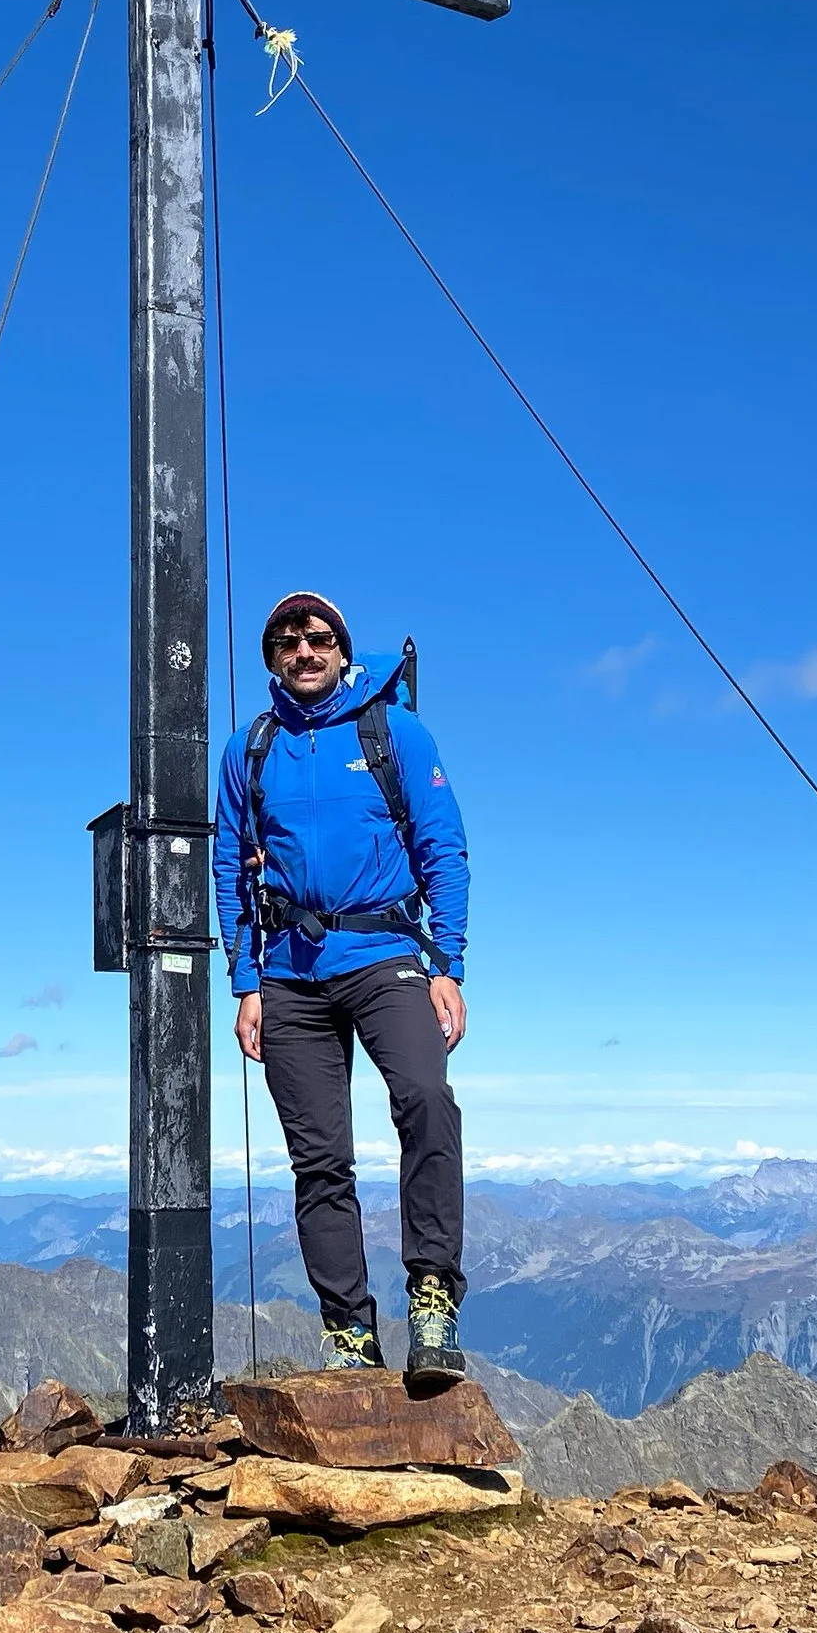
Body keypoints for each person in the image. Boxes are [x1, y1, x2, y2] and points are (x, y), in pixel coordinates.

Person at [213, 591, 474, 1383]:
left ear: (342, 648)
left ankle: (432, 1298)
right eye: (287, 641)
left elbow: (444, 847)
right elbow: (229, 863)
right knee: (319, 1160)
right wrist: (245, 982)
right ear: (271, 658)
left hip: (386, 952)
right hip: (288, 971)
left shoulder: (394, 730)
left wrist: (449, 965)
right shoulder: (248, 749)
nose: (304, 651)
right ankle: (349, 1334)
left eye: (318, 637)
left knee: (426, 1097)